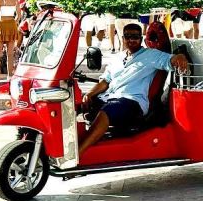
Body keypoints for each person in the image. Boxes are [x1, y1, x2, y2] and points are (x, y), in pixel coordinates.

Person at [78, 23, 187, 154]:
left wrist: (179, 57)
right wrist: (89, 94)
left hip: (132, 101)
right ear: (122, 38)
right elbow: (105, 81)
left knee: (108, 110)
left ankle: (78, 153)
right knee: (75, 103)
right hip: (110, 97)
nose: (131, 40)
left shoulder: (151, 55)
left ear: (141, 39)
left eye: (135, 37)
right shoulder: (117, 58)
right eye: (128, 36)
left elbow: (170, 60)